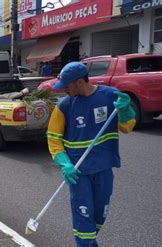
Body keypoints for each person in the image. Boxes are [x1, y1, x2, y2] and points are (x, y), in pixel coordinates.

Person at [46, 62, 136, 247]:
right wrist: (65, 164)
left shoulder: (110, 96)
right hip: (78, 173)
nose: (64, 90)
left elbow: (126, 127)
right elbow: (53, 139)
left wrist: (126, 110)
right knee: (83, 220)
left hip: (103, 169)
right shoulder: (64, 107)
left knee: (98, 217)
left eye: (67, 86)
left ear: (80, 82)